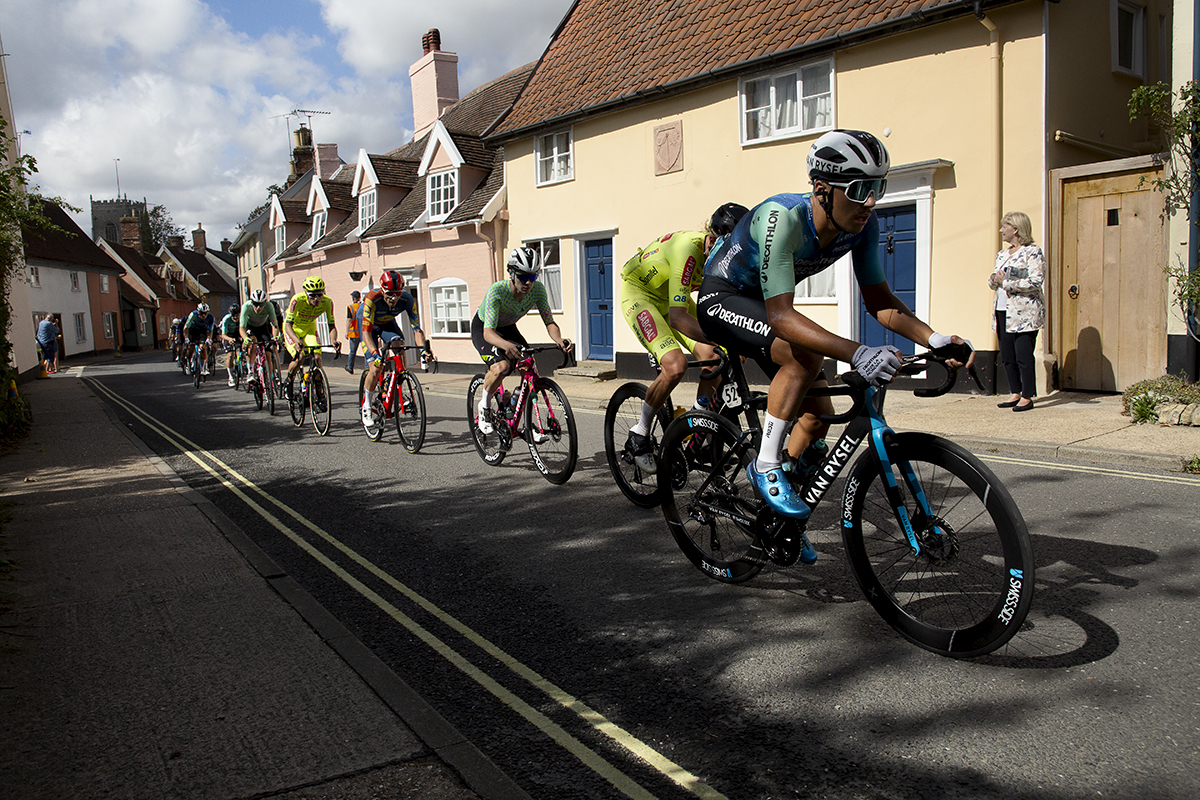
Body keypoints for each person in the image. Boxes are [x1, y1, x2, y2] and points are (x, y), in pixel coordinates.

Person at [698, 129, 973, 562]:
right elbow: (782, 317)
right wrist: (859, 352)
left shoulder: (863, 225)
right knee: (805, 355)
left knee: (819, 416)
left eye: (877, 189)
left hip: (765, 305)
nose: (871, 202)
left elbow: (880, 301)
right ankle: (765, 464)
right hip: (723, 297)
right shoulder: (781, 218)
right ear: (822, 190)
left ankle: (782, 517)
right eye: (860, 189)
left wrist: (936, 339)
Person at [619, 202, 749, 474]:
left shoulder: (723, 257)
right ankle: (639, 432)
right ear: (713, 238)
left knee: (714, 358)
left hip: (672, 300)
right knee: (675, 365)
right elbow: (678, 317)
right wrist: (722, 338)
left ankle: (697, 427)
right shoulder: (687, 249)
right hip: (641, 296)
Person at [472, 246, 573, 435]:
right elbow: (488, 333)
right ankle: (484, 406)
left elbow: (549, 322)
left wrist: (559, 339)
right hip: (485, 328)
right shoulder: (497, 291)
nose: (528, 282)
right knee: (502, 367)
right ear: (511, 272)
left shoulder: (538, 291)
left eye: (533, 277)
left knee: (528, 365)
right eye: (523, 276)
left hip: (508, 328)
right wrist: (506, 346)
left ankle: (517, 407)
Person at [988, 211, 1045, 412]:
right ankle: (1015, 392)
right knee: (1008, 356)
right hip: (1003, 310)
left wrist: (1006, 282)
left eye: (1004, 226)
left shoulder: (1032, 252)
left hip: (1024, 313)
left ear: (1016, 229)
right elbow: (993, 282)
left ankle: (1027, 396)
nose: (1001, 230)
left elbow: (1035, 281)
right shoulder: (1002, 254)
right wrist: (995, 280)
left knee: (1023, 355)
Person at [358, 271, 428, 426]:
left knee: (399, 346)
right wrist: (375, 355)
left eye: (397, 293)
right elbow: (366, 334)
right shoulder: (372, 299)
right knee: (375, 369)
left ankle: (397, 381)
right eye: (389, 294)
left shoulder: (407, 299)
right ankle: (367, 405)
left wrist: (424, 351)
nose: (393, 298)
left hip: (387, 323)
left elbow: (416, 330)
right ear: (382, 290)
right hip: (368, 327)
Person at [282, 276, 340, 398]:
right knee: (300, 357)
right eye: (312, 295)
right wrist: (297, 342)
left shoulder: (327, 302)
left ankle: (319, 388)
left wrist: (334, 341)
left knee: (318, 359)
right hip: (293, 330)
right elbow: (288, 326)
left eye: (320, 294)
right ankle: (289, 381)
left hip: (309, 329)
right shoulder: (297, 300)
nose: (317, 298)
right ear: (306, 294)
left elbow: (331, 326)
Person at [238, 289, 280, 380]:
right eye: (255, 304)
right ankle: (250, 372)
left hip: (262, 327)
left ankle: (270, 378)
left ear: (265, 304)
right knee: (252, 343)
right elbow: (242, 328)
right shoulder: (246, 307)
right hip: (250, 327)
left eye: (260, 305)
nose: (258, 308)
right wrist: (245, 338)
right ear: (252, 303)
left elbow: (274, 325)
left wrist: (276, 336)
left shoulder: (269, 306)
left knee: (269, 351)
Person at [183, 303, 216, 375]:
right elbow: (186, 328)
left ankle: (204, 367)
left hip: (202, 331)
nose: (203, 315)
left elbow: (210, 330)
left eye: (205, 313)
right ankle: (188, 363)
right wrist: (186, 338)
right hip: (192, 331)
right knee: (191, 347)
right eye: (201, 313)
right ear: (198, 312)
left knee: (203, 347)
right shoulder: (193, 315)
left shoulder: (211, 317)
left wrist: (209, 339)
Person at [217, 304, 242, 386]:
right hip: (228, 336)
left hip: (238, 334)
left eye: (237, 315)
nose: (236, 318)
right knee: (230, 355)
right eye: (234, 316)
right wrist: (229, 339)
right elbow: (223, 335)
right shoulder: (226, 319)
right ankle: (230, 377)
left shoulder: (242, 319)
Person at [345, 290, 363, 374]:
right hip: (363, 333)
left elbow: (349, 319)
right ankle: (368, 368)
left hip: (353, 333)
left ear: (353, 298)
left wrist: (346, 332)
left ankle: (350, 367)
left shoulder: (350, 307)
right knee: (366, 351)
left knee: (352, 352)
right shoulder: (363, 306)